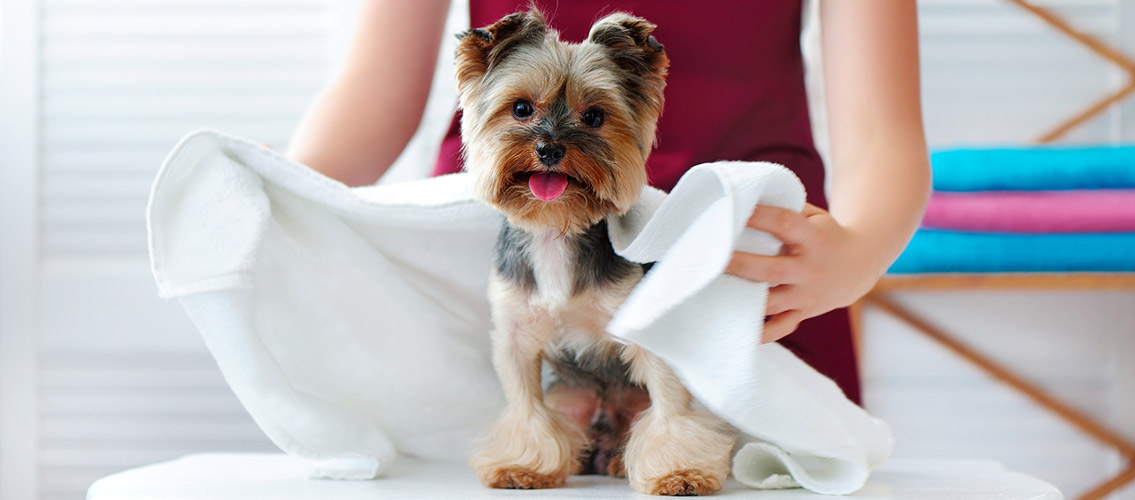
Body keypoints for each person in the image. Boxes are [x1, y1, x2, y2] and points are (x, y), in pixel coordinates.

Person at [286, 0, 931, 406]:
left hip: (747, 271)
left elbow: (881, 130)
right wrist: (275, 186)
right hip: (497, 264)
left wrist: (862, 250)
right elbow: (375, 92)